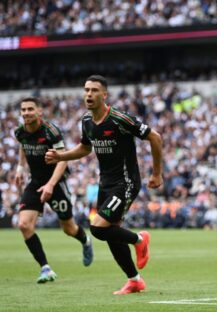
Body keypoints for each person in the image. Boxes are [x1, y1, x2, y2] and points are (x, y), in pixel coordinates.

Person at [45, 75, 163, 295]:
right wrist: (61, 156)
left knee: (98, 228)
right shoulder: (87, 121)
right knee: (110, 232)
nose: (89, 94)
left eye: (94, 90)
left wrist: (156, 173)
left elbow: (155, 137)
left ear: (104, 95)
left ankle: (139, 239)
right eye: (86, 90)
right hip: (105, 183)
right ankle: (135, 280)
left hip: (126, 182)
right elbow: (85, 148)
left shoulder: (119, 118)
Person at [14, 97, 93, 283]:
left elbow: (63, 158)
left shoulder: (51, 131)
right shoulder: (20, 131)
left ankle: (85, 240)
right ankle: (45, 268)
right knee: (24, 225)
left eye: (30, 109)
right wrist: (19, 167)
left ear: (39, 112)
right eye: (23, 109)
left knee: (68, 228)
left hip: (57, 183)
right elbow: (22, 146)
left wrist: (50, 184)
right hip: (35, 183)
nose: (26, 113)